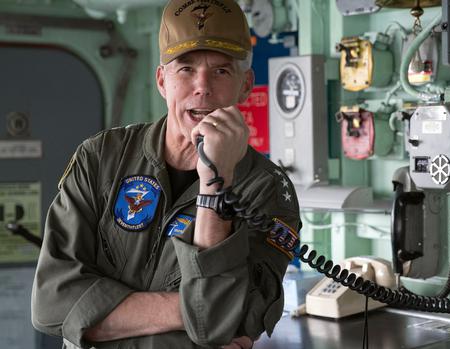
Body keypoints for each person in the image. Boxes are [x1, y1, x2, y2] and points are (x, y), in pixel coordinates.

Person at [31, 0, 301, 348]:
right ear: (162, 80)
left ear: (245, 85)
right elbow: (51, 304)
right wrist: (193, 311)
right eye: (185, 69)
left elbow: (229, 325)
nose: (201, 87)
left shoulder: (267, 189)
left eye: (220, 71)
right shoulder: (101, 157)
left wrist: (215, 184)